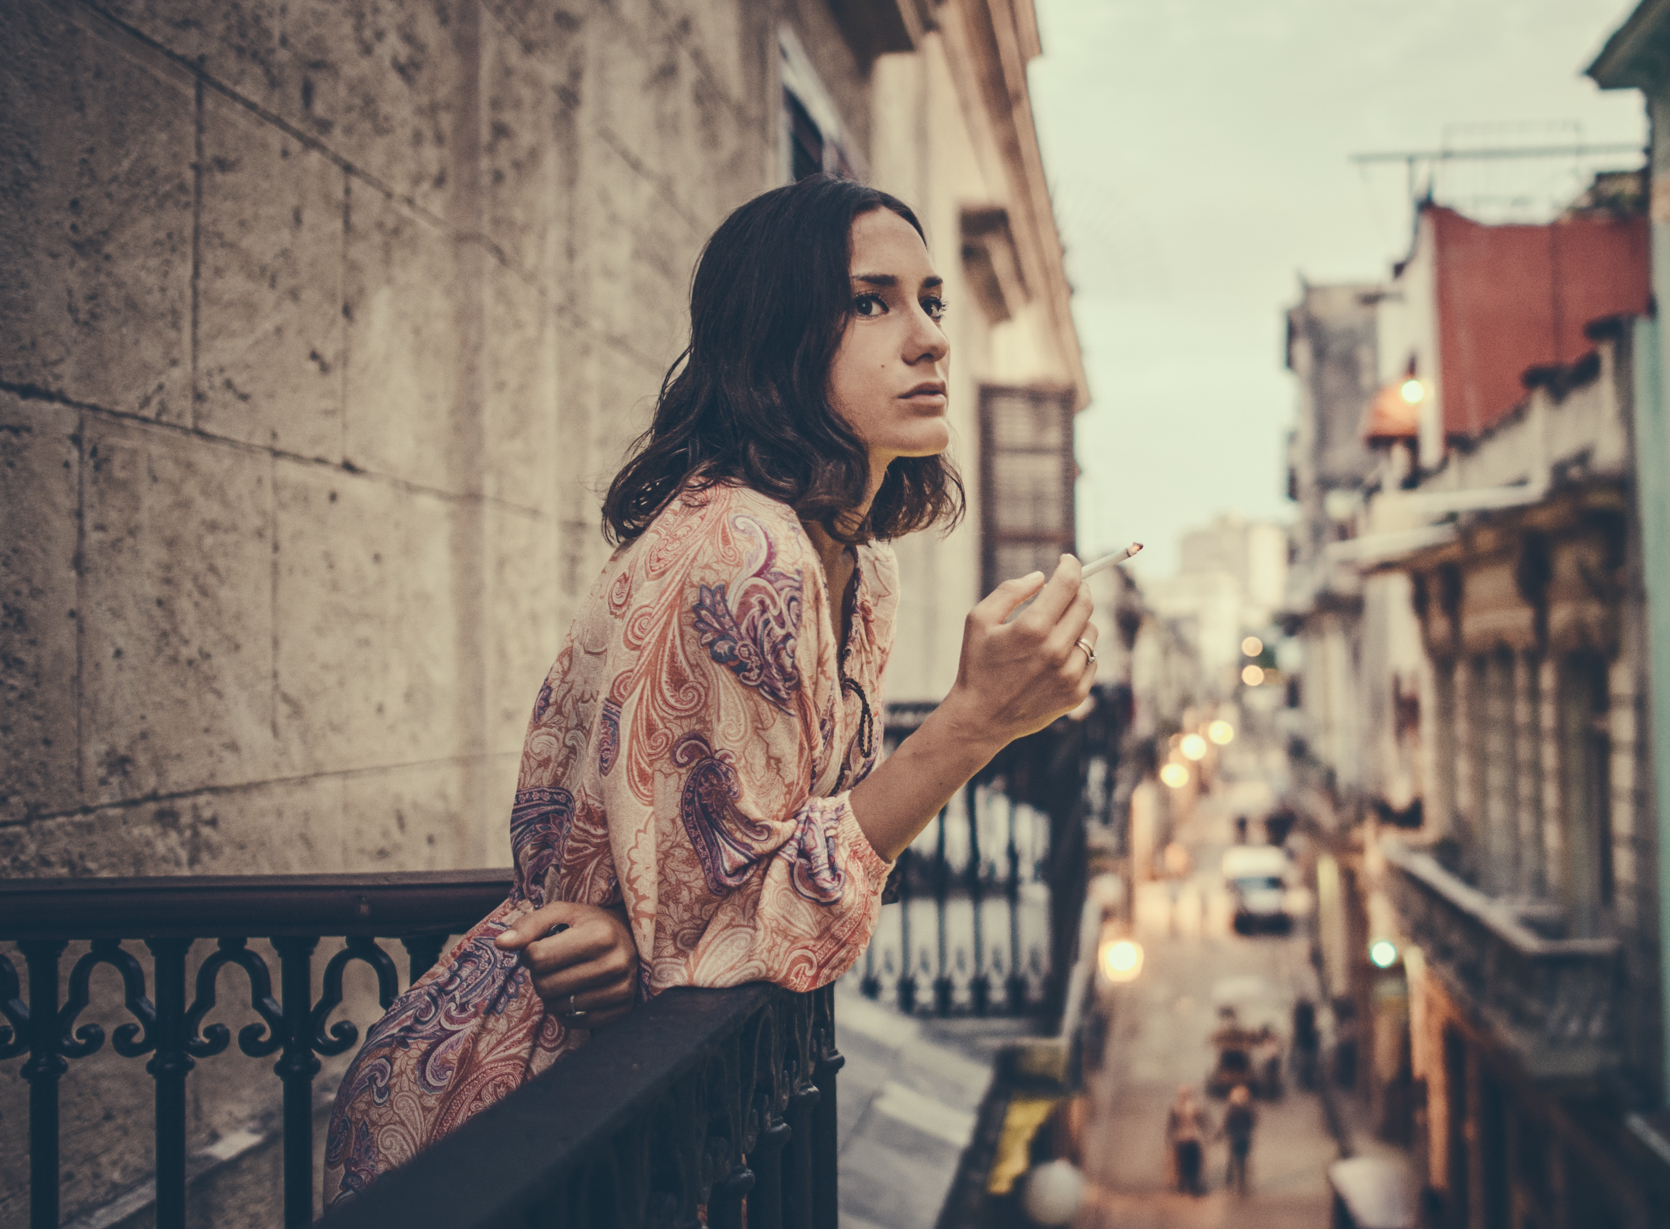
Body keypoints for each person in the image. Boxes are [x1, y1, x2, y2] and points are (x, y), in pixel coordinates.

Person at [322, 175, 1100, 1205]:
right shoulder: (744, 549)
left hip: (631, 1107)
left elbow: (760, 867)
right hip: (512, 1123)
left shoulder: (857, 565)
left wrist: (642, 926)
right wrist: (974, 721)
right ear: (776, 334)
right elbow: (744, 932)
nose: (927, 338)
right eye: (869, 301)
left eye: (929, 300)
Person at [1166, 1084, 1210, 1195]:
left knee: (1181, 1164)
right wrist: (1208, 1136)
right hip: (1193, 1139)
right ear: (1191, 1094)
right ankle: (1193, 1187)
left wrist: (1168, 1140)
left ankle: (1181, 1186)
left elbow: (1170, 1126)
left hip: (1180, 1140)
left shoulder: (1175, 1108)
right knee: (1193, 1164)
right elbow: (1202, 1124)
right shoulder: (1195, 1107)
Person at [1220, 1083, 1257, 1195]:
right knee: (1242, 1160)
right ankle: (1240, 1184)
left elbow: (1227, 1123)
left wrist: (1220, 1135)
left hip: (1236, 1136)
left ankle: (1231, 1183)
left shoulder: (1233, 1108)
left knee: (1233, 1159)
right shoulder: (1247, 1108)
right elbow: (1253, 1122)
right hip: (1244, 1136)